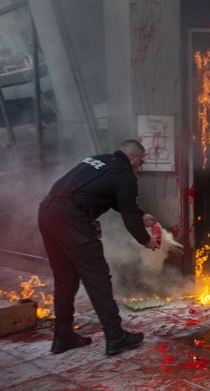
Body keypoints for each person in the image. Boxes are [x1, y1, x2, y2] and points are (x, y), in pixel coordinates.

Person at [38, 139, 161, 356]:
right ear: (133, 157)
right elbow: (128, 215)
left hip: (47, 213)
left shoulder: (99, 160)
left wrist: (141, 215)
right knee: (97, 277)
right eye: (140, 161)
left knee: (65, 278)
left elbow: (112, 198)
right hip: (72, 220)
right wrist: (146, 240)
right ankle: (115, 336)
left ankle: (63, 336)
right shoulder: (124, 174)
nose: (140, 166)